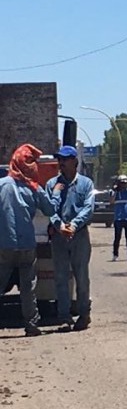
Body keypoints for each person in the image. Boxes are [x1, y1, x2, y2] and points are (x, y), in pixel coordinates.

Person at [0, 144, 63, 336]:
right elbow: (50, 210)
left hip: (4, 244)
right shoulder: (34, 188)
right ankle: (31, 324)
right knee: (28, 287)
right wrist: (57, 190)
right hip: (27, 244)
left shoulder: (2, 185)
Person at [46, 145, 95, 331]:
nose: (61, 163)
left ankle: (83, 313)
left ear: (74, 161)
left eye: (65, 159)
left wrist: (73, 225)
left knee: (81, 276)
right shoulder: (52, 185)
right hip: (59, 236)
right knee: (60, 276)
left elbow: (88, 208)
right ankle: (64, 317)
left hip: (79, 234)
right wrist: (60, 226)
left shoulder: (86, 184)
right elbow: (49, 208)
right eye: (59, 159)